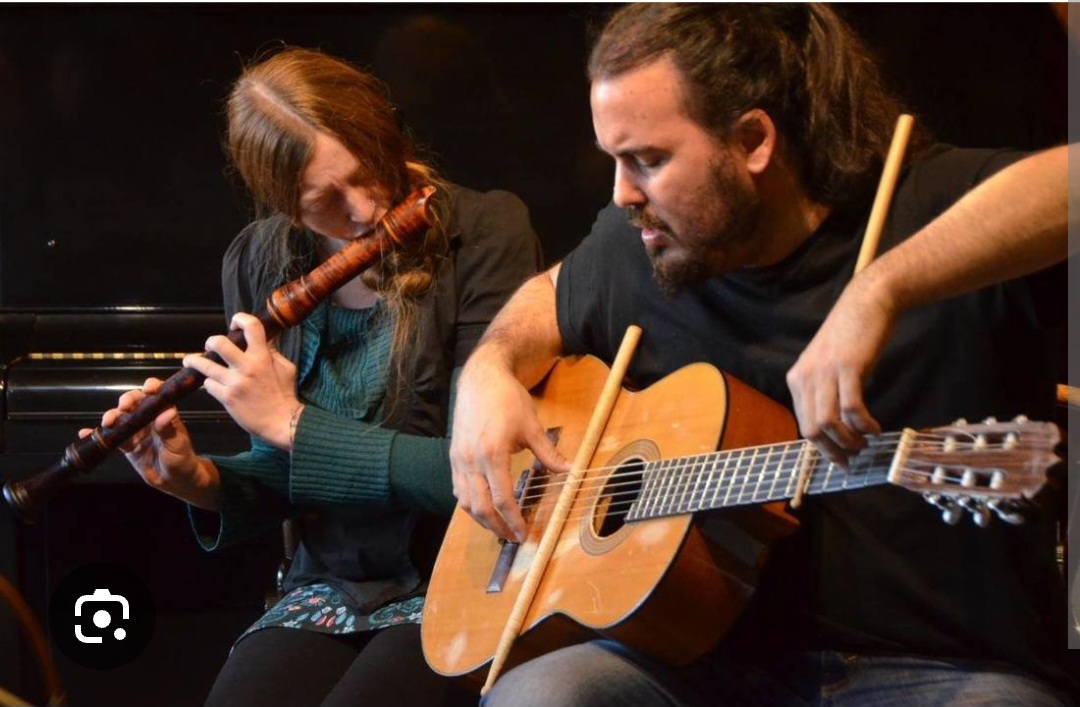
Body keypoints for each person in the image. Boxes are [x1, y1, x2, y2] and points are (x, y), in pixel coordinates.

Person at [449, 4, 1073, 707]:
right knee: (541, 695)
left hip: (940, 668)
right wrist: (488, 370)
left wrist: (881, 288)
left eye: (648, 161)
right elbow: (547, 296)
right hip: (701, 664)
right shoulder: (643, 243)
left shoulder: (928, 202)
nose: (621, 194)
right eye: (614, 159)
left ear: (752, 140)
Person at [89, 47, 542, 707]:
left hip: (469, 568)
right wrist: (197, 479)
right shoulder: (258, 259)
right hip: (328, 588)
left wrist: (294, 424)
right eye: (323, 201)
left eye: (367, 172)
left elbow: (485, 476)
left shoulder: (486, 233)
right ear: (283, 203)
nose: (364, 209)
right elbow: (287, 477)